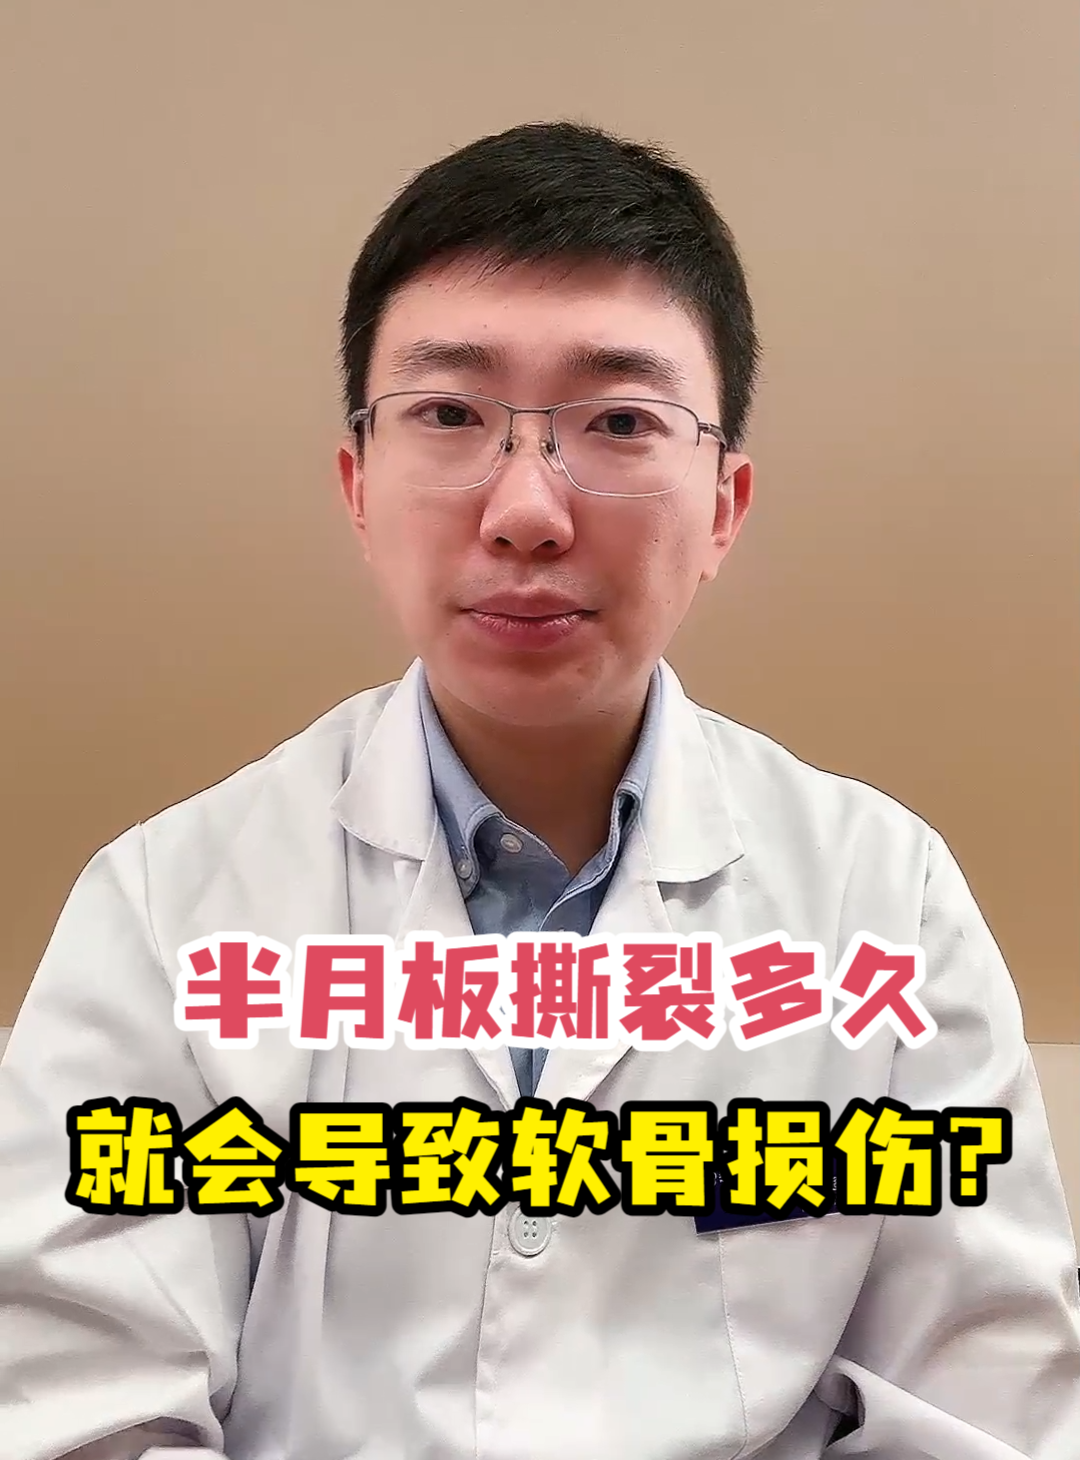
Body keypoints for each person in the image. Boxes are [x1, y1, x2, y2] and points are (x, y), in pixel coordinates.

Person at [1, 120, 1078, 1460]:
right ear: (358, 485)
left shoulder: (883, 897)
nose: (526, 509)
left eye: (618, 422)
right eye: (451, 414)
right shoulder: (166, 910)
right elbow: (84, 1412)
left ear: (725, 504)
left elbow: (981, 1410)